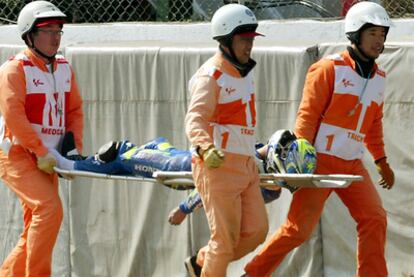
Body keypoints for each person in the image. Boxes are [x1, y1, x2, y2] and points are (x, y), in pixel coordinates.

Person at [244, 2, 395, 277]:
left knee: (374, 218)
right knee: (297, 231)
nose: (379, 40)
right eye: (373, 33)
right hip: (319, 162)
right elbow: (307, 116)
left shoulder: (380, 78)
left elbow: (373, 124)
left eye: (383, 34)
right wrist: (300, 159)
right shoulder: (328, 69)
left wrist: (381, 160)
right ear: (355, 33)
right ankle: (251, 274)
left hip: (352, 164)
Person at [0, 1, 84, 276]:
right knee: (49, 211)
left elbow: (74, 112)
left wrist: (73, 151)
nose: (55, 36)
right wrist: (40, 152)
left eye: (58, 30)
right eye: (47, 30)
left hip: (48, 157)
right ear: (29, 35)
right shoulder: (14, 69)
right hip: (17, 155)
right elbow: (14, 117)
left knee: (38, 221)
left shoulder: (64, 68)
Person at [184, 4, 268, 276]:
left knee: (256, 232)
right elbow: (194, 118)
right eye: (243, 40)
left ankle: (201, 263)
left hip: (246, 165)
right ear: (226, 39)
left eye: (251, 39)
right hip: (217, 167)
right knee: (224, 241)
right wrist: (206, 149)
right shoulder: (211, 76)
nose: (249, 46)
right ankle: (207, 265)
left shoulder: (245, 71)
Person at [168, 130, 317, 225]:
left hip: (203, 183)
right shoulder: (244, 158)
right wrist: (183, 209)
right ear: (282, 154)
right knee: (155, 163)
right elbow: (216, 184)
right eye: (291, 173)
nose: (289, 181)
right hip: (188, 165)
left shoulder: (272, 192)